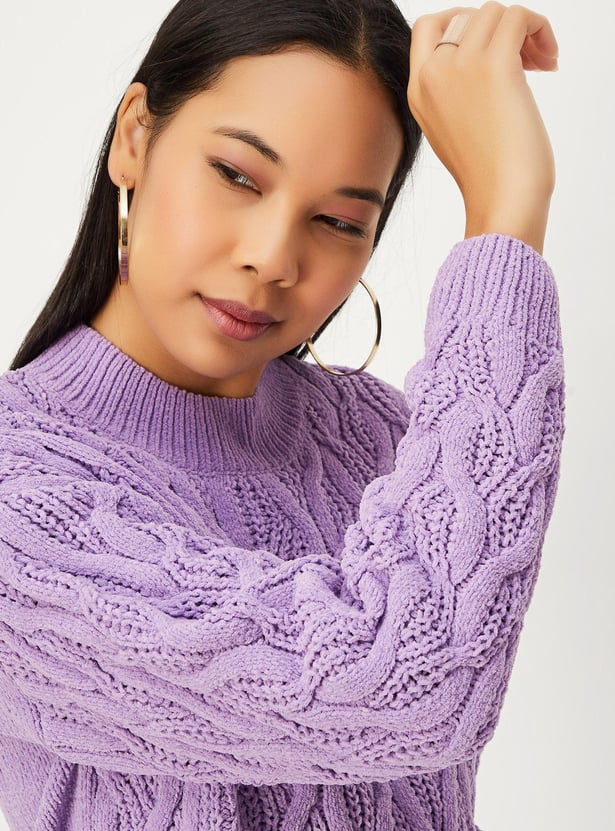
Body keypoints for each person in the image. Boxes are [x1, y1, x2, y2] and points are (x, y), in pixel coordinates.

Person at [0, 0, 564, 828]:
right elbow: (406, 687)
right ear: (134, 136)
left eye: (338, 221)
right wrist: (506, 213)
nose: (271, 257)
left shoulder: (386, 436)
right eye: (236, 175)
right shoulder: (19, 493)